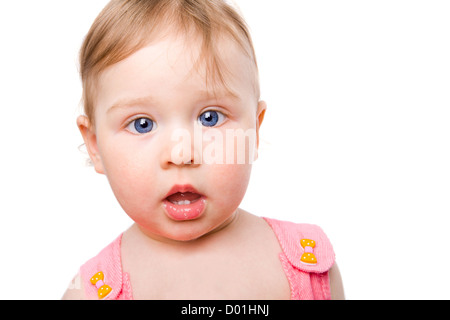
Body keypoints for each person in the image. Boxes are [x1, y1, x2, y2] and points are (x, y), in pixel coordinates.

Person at [62, 0, 344, 300]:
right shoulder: (91, 293)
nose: (182, 154)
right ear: (95, 146)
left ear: (255, 132)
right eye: (142, 124)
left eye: (210, 118)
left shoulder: (310, 265)